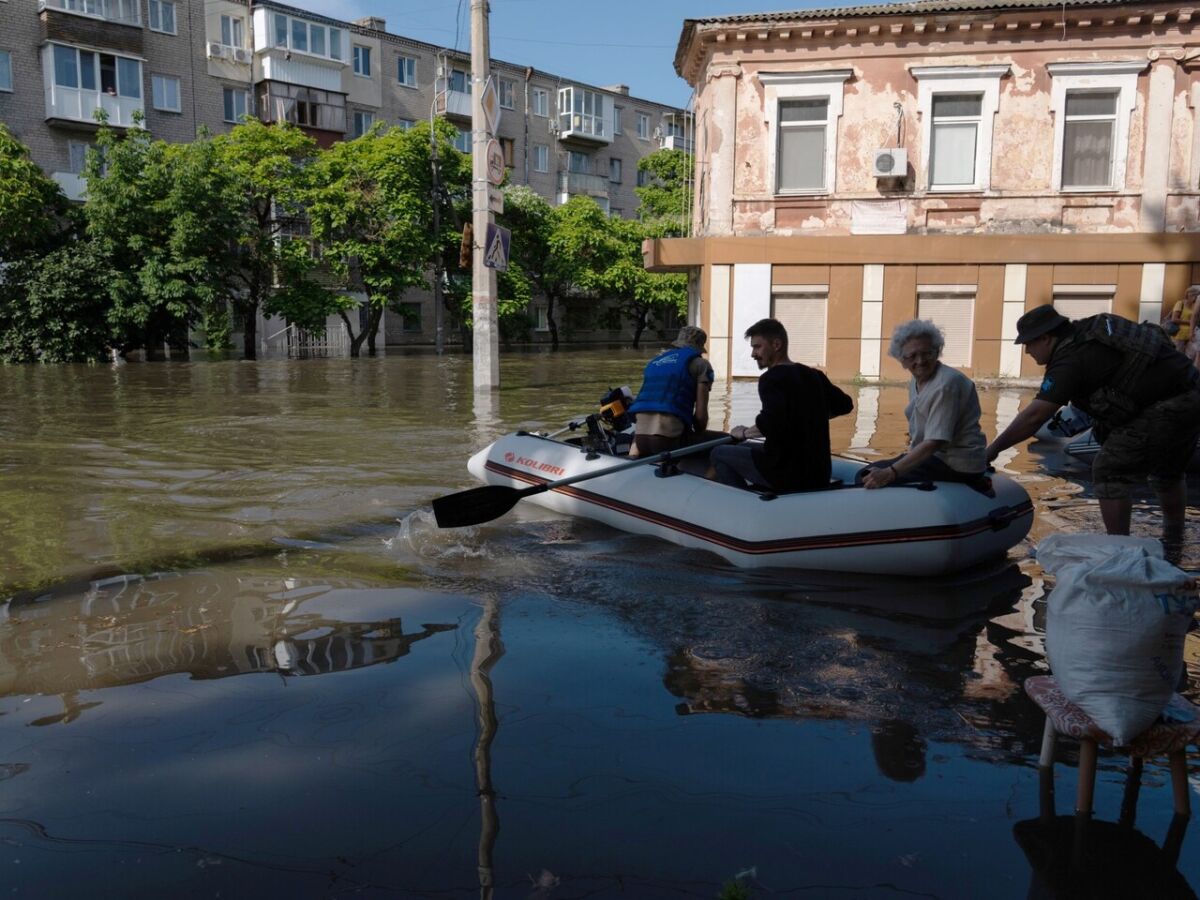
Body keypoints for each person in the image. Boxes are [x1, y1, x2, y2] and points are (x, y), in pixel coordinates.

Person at [986, 304, 1200, 562]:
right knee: (1168, 470)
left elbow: (1035, 416)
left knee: (1109, 469)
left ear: (1046, 338)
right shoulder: (1090, 331)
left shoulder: (1070, 360)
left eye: (1029, 344)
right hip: (1191, 392)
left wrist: (993, 449)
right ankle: (1175, 539)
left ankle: (1119, 553)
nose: (1027, 351)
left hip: (1170, 405)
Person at [709, 318, 853, 491]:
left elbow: (769, 424)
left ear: (776, 344)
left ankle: (742, 502)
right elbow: (845, 405)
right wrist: (810, 415)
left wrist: (744, 432)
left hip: (786, 474)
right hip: (819, 473)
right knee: (744, 446)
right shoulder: (814, 375)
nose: (753, 354)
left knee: (719, 452)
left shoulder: (771, 379)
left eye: (757, 347)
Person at [859, 319, 987, 488]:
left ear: (937, 352)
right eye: (912, 356)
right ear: (902, 360)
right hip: (936, 458)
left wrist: (891, 472)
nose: (920, 361)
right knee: (865, 474)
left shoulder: (946, 385)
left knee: (865, 478)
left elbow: (934, 441)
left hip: (958, 465)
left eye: (927, 353)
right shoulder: (916, 380)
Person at [627, 325, 713, 457]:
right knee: (725, 442)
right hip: (667, 442)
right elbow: (700, 419)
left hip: (640, 441)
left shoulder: (654, 363)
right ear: (700, 347)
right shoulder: (701, 364)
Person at [1168, 285, 1200, 359]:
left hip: (1190, 335)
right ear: (1189, 295)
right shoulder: (1180, 303)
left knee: (1188, 357)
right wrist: (1190, 322)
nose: (1195, 298)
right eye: (1195, 296)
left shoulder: (1195, 306)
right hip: (1179, 334)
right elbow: (1174, 319)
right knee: (1177, 355)